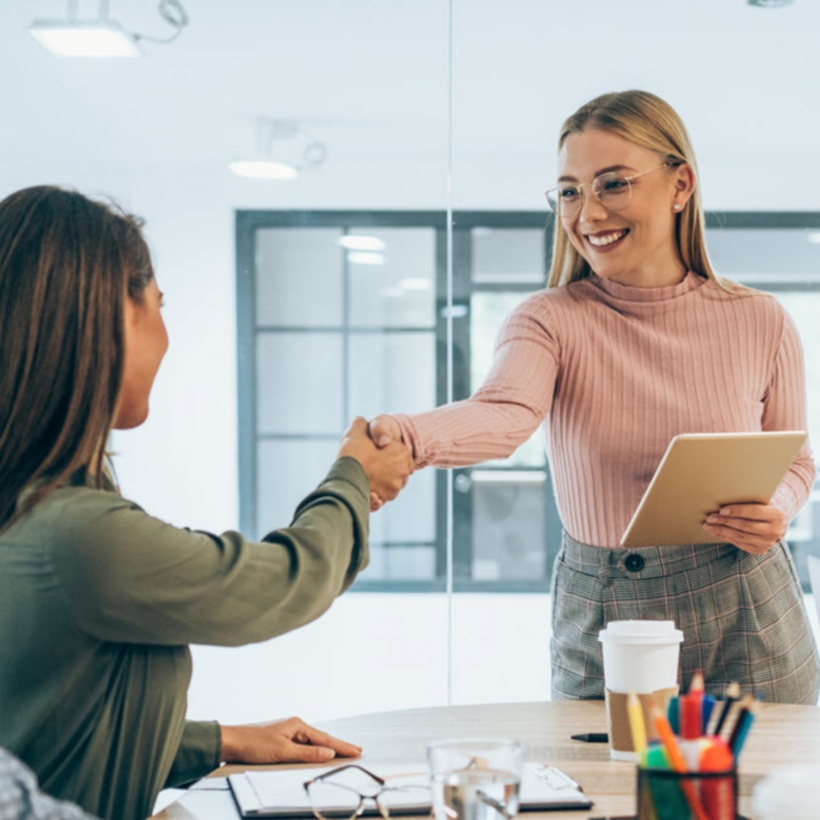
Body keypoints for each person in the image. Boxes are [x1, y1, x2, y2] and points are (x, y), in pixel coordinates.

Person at [368, 89, 820, 704]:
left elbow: (795, 460)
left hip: (747, 597)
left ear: (680, 185)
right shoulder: (549, 319)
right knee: (608, 792)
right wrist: (408, 436)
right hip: (610, 608)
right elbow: (504, 412)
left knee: (759, 797)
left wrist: (778, 508)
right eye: (571, 191)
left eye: (612, 184)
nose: (587, 214)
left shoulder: (761, 319)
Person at [0, 185, 413, 820]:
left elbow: (49, 728)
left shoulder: (31, 505)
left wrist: (218, 741)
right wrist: (354, 477)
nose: (167, 336)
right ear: (113, 313)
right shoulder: (74, 535)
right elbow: (282, 581)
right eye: (158, 306)